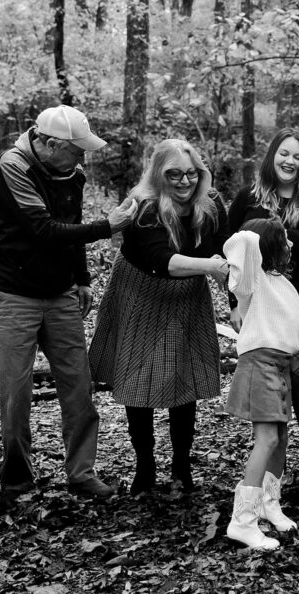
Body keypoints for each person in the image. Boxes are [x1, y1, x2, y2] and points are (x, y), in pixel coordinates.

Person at [0, 104, 138, 509]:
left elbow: (68, 229)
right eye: (76, 150)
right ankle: (16, 477)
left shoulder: (73, 173)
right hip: (13, 294)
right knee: (16, 392)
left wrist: (82, 278)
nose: (82, 158)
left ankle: (82, 473)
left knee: (78, 386)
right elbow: (42, 229)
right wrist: (108, 227)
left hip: (60, 295)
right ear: (49, 144)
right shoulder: (13, 166)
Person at [89, 139, 229, 495]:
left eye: (191, 174)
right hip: (141, 295)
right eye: (174, 175)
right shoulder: (144, 209)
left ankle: (182, 466)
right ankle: (145, 467)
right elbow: (161, 261)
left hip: (187, 299)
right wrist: (210, 267)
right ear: (158, 175)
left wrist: (236, 301)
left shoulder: (211, 205)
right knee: (139, 383)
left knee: (183, 379)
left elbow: (229, 252)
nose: (184, 182)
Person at [228, 128, 299, 483]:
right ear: (271, 155)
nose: (289, 161)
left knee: (298, 371)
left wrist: (292, 236)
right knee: (269, 374)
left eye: (297, 156)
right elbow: (231, 251)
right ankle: (271, 457)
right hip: (260, 298)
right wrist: (235, 303)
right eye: (283, 153)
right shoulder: (249, 197)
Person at [223, 218, 299, 550]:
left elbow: (281, 318)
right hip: (259, 364)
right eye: (285, 241)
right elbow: (241, 241)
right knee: (265, 440)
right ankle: (242, 521)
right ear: (268, 248)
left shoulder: (281, 282)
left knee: (280, 439)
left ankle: (268, 504)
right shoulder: (253, 279)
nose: (291, 246)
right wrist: (265, 230)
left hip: (280, 365)